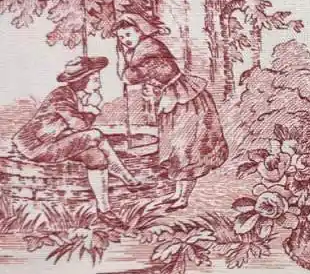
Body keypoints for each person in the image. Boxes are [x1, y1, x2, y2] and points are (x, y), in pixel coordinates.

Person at [113, 13, 229, 211]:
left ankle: (183, 198)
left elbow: (129, 77)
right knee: (177, 147)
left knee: (186, 148)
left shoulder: (149, 51)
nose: (125, 40)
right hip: (174, 101)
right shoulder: (142, 50)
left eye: (128, 34)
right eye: (121, 37)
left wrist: (120, 58)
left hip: (186, 101)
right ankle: (178, 193)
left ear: (140, 32)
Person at [12, 56, 140, 227]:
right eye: (95, 80)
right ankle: (128, 178)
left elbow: (72, 129)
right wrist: (93, 110)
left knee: (95, 156)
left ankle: (104, 211)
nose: (99, 85)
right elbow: (80, 126)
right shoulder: (61, 96)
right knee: (95, 135)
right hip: (38, 147)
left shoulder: (76, 96)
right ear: (82, 81)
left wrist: (87, 110)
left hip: (57, 140)